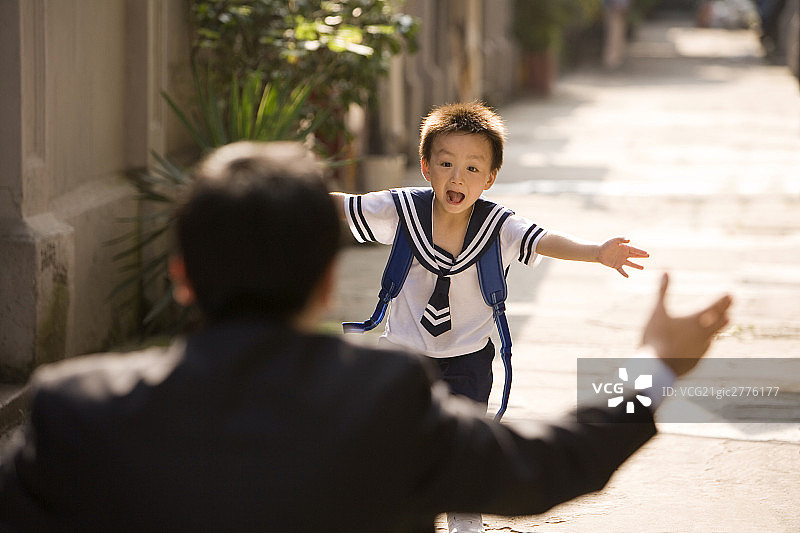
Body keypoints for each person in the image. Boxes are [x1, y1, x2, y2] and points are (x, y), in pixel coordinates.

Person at [0, 141, 731, 533]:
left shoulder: (73, 412)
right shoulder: (385, 399)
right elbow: (551, 463)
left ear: (181, 276)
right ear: (328, 282)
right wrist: (658, 368)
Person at [331, 101, 650, 412]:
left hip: (468, 361)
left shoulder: (498, 226)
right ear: (426, 167)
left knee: (460, 440)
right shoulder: (402, 210)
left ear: (489, 178)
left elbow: (544, 240)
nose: (457, 178)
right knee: (397, 434)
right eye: (446, 164)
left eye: (472, 168)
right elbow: (343, 204)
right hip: (402, 354)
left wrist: (596, 252)